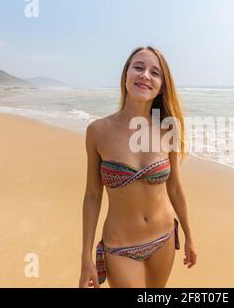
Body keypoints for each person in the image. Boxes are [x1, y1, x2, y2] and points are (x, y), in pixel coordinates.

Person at [79, 46, 197, 288]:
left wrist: (189, 235)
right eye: (139, 67)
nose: (145, 75)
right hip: (120, 247)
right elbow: (92, 195)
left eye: (155, 72)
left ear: (162, 85)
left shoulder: (167, 128)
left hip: (163, 239)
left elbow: (174, 187)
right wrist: (85, 255)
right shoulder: (98, 131)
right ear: (126, 75)